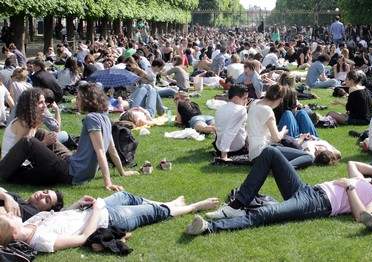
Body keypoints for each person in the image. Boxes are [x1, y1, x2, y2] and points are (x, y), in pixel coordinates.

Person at [185, 147, 372, 235]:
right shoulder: (368, 181)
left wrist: (350, 187)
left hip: (318, 204)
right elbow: (354, 164)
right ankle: (237, 205)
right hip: (307, 190)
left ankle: (209, 227)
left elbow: (363, 216)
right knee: (271, 152)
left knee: (266, 214)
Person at [0, 83, 138, 190]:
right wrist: (122, 172)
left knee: (28, 142)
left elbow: (101, 150)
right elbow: (112, 149)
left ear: (87, 100)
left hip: (71, 173)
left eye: (78, 98)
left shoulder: (91, 118)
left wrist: (108, 181)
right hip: (73, 166)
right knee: (41, 134)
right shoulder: (105, 118)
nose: (76, 101)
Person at [0, 192, 219, 252]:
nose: (10, 213)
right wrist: (96, 210)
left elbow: (59, 218)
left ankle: (169, 203)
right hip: (106, 218)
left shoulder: (33, 223)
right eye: (8, 217)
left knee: (129, 195)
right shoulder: (39, 240)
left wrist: (76, 205)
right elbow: (82, 238)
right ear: (13, 232)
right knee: (153, 212)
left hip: (91, 210)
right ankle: (194, 206)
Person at [246, 84, 313, 169]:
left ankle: (280, 167)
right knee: (308, 156)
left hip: (253, 154)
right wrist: (283, 131)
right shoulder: (267, 110)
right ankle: (284, 169)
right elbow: (277, 138)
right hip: (263, 151)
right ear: (280, 99)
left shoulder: (254, 103)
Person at [214, 85, 248, 160]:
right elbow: (230, 132)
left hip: (218, 146)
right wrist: (224, 156)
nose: (246, 101)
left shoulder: (220, 108)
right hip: (235, 149)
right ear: (235, 98)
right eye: (244, 98)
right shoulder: (241, 110)